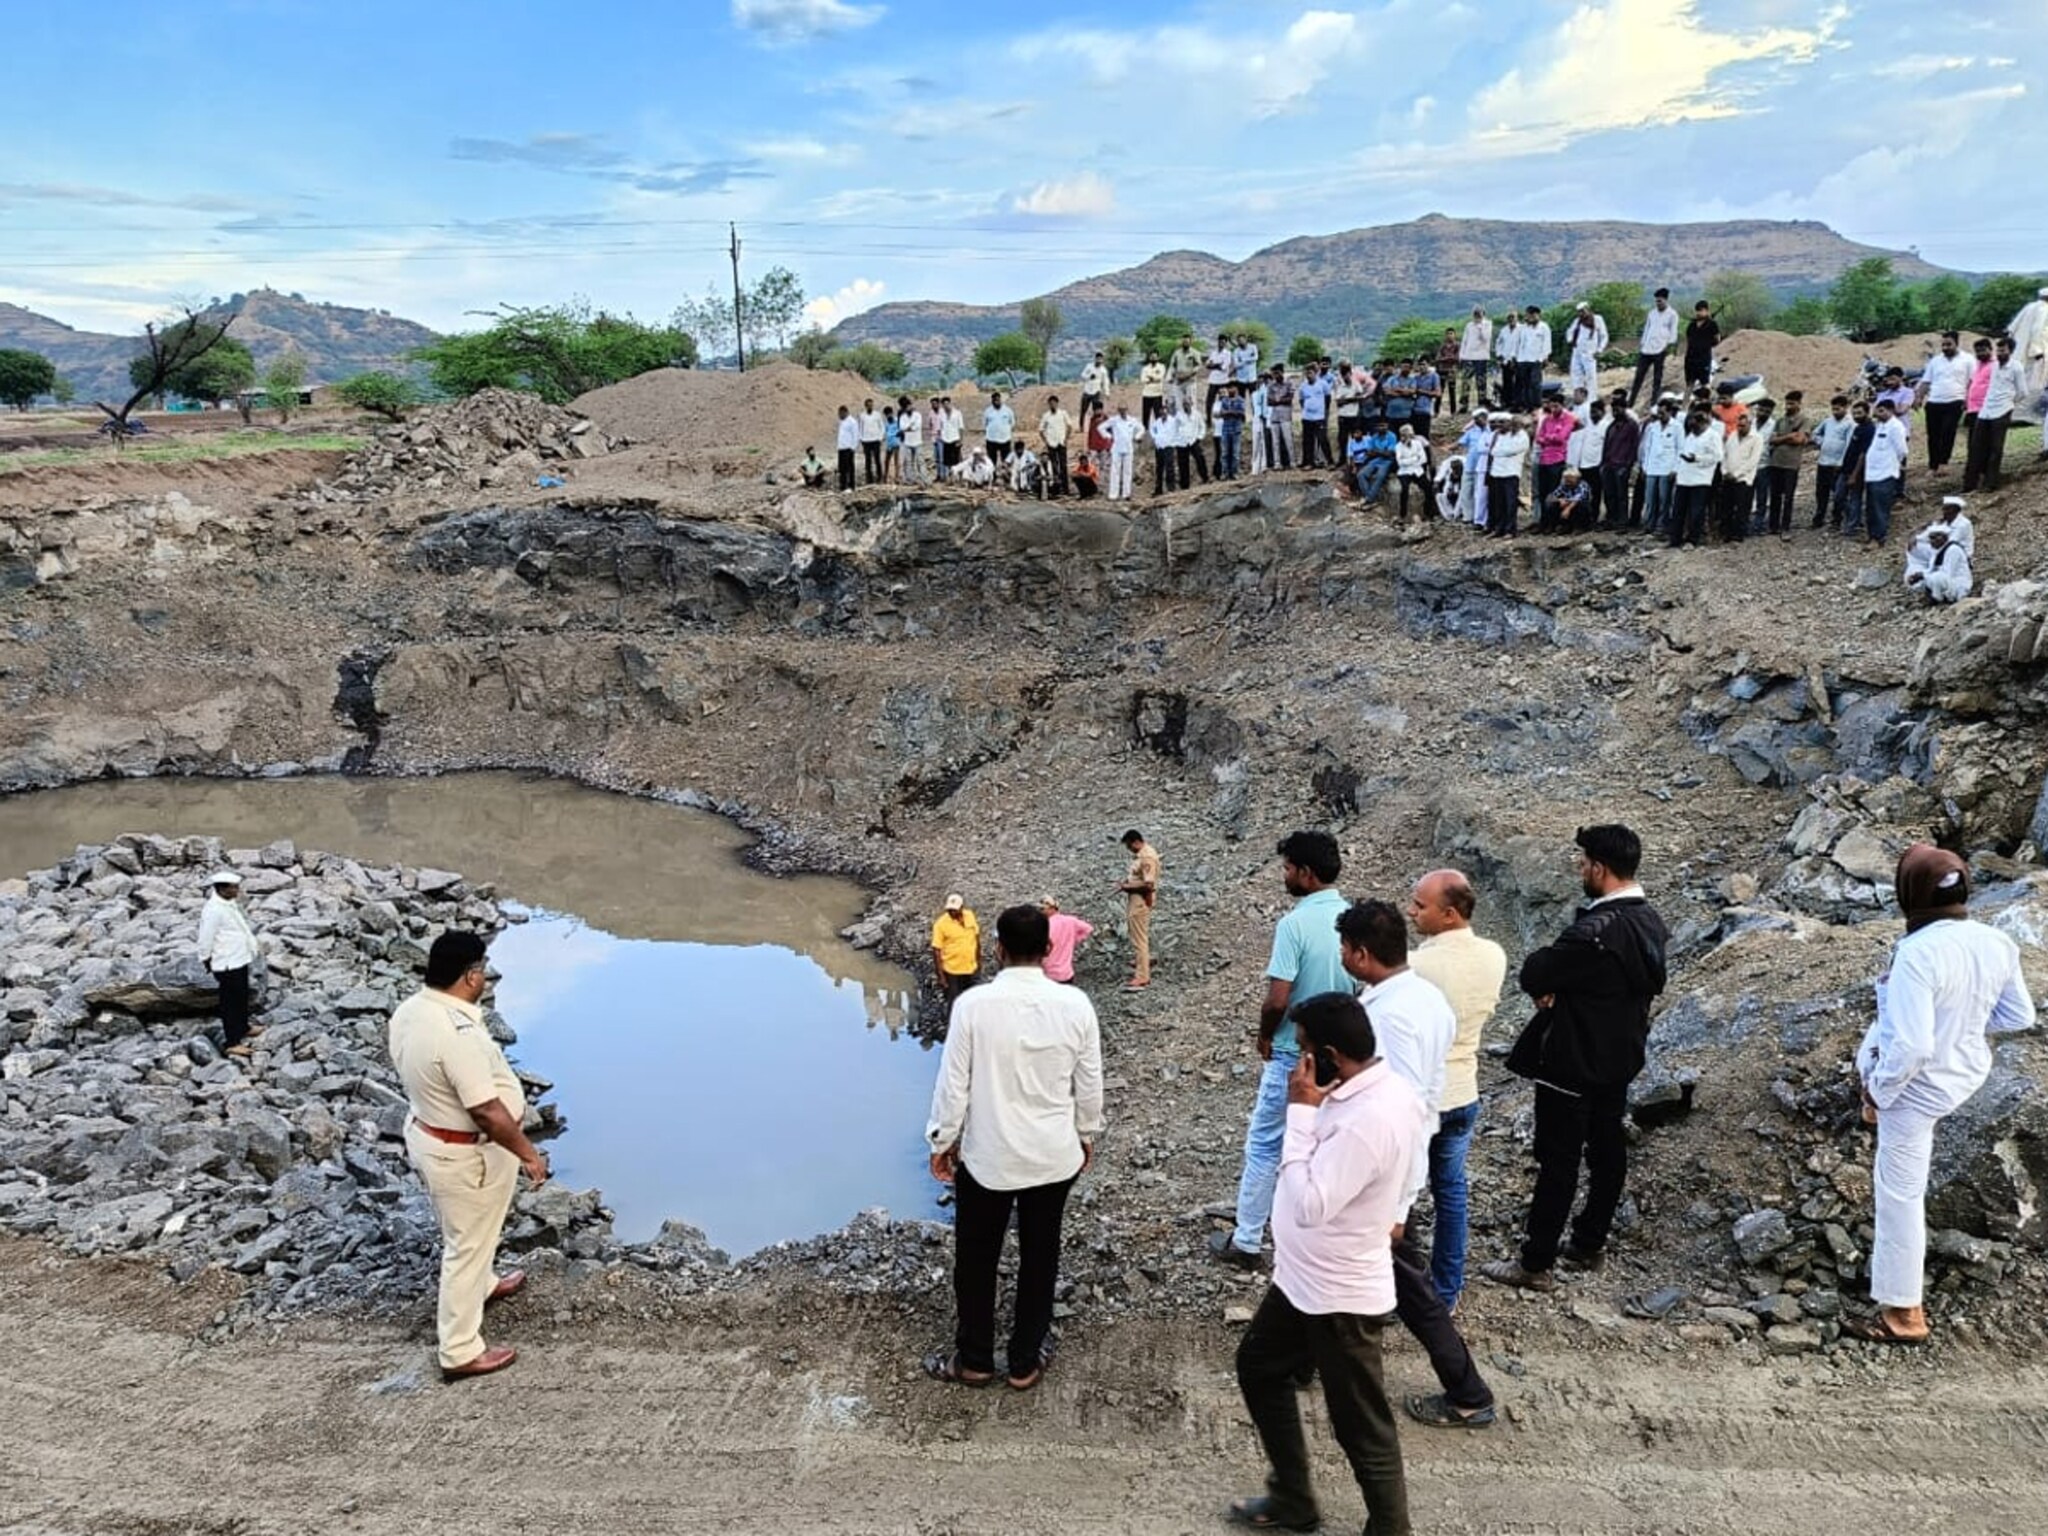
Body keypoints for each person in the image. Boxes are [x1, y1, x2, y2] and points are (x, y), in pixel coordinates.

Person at [1227, 992, 1430, 1536]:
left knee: (1362, 1426)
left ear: (1332, 1056)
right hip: (1303, 1282)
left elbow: (1312, 1204)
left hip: (1339, 1295)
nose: (1299, 1064)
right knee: (1259, 1367)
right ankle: (1293, 1500)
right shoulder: (1376, 1093)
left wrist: (1299, 1114)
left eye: (1305, 1050)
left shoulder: (1367, 1119)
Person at [1848, 846, 2034, 1345]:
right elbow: (2019, 1016)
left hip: (1918, 1089)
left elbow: (1912, 1047)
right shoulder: (1996, 940)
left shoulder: (1916, 952)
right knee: (1877, 1039)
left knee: (1900, 1195)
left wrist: (1879, 1094)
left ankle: (1904, 1314)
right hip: (1965, 1072)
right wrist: (1963, 1026)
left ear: (1910, 893)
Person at [925, 904, 1104, 1387]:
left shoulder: (972, 1006)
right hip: (1053, 1155)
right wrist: (1086, 1133)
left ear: (998, 949)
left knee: (976, 1258)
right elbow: (1089, 1085)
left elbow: (953, 1084)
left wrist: (943, 1139)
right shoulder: (1076, 1006)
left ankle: (975, 1359)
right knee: (1040, 1255)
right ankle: (1025, 1361)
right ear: (1047, 949)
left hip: (989, 1157)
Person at [1333, 900, 1497, 1429]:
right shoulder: (1426, 999)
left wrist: (1397, 1203)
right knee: (1383, 1278)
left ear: (1361, 954)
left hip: (1381, 1178)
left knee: (1407, 1287)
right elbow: (1429, 1095)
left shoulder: (1390, 1018)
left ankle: (1469, 1393)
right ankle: (1305, 1358)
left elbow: (1401, 1113)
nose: (1342, 957)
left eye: (1344, 949)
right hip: (1392, 1171)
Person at [1484, 826, 1667, 1292]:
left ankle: (1536, 1262)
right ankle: (1589, 1241)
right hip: (1620, 1057)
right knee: (1607, 1149)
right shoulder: (1649, 921)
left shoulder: (1596, 930)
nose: (1580, 870)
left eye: (1584, 863)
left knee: (1558, 1159)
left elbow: (1536, 971)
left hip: (1572, 1059)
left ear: (1600, 869)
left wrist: (1553, 989)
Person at [388, 931, 549, 1381]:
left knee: (470, 1229)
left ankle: (485, 1283)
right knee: (466, 1245)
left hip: (431, 1134)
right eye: (482, 970)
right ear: (471, 976)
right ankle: (459, 1350)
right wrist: (527, 1153)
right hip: (466, 1153)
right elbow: (486, 1111)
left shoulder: (412, 1011)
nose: (486, 977)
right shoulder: (455, 1034)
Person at [1213, 831, 1349, 1270]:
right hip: (1341, 1056)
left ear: (1306, 873)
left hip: (1294, 1051)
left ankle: (1248, 1240)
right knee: (1325, 1147)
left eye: (1288, 868)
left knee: (1266, 1144)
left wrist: (1265, 1034)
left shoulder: (1293, 925)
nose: (1284, 875)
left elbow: (1278, 998)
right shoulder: (1350, 918)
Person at [1406, 871, 1507, 1311]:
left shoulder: (1418, 966)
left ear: (1448, 914)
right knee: (1451, 1193)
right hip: (1464, 1089)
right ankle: (1447, 1291)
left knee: (1400, 1197)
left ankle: (1403, 1290)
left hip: (1422, 1096)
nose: (1411, 911)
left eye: (1420, 905)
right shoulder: (1494, 955)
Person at [196, 869, 262, 1057]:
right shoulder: (213, 910)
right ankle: (232, 1041)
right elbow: (206, 937)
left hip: (238, 957)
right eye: (233, 888)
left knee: (241, 995)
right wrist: (205, 958)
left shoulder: (228, 904)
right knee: (230, 1002)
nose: (237, 891)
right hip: (226, 962)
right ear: (221, 889)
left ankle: (243, 1027)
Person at [1962, 335, 2026, 493]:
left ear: (2010, 351)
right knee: (1976, 447)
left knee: (1995, 448)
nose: (1999, 353)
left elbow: (2022, 392)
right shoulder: (1994, 366)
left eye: (2003, 350)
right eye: (1998, 350)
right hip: (1986, 410)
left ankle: (1991, 483)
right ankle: (1969, 484)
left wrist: (2009, 402)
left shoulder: (2016, 367)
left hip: (2003, 410)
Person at [1916, 332, 1973, 473]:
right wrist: (1919, 397)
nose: (1945, 347)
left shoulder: (1968, 359)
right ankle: (1933, 465)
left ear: (1957, 344)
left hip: (1955, 400)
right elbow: (1926, 381)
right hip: (1934, 401)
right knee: (1933, 435)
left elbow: (1972, 382)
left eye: (1949, 344)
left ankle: (1943, 462)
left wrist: (1968, 399)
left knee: (1948, 432)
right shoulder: (1935, 361)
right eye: (1943, 345)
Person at [1857, 398, 1908, 545]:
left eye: (1881, 411)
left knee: (1880, 507)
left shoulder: (1896, 427)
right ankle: (1871, 535)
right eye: (1877, 410)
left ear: (1891, 411)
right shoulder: (1879, 425)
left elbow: (1902, 450)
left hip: (1885, 472)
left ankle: (1879, 537)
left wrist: (1896, 463)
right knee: (1871, 506)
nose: (1878, 414)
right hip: (1872, 473)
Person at [1669, 407, 1723, 548]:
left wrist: (1697, 458)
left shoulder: (1713, 436)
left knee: (1696, 511)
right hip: (1684, 477)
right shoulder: (1690, 436)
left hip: (1701, 478)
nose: (1694, 430)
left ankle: (1692, 540)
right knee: (1678, 510)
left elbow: (1717, 457)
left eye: (1696, 427)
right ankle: (1675, 539)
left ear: (1703, 423)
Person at [1117, 828, 1160, 989]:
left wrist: (1127, 887)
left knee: (1139, 938)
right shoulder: (1143, 854)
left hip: (1140, 901)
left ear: (1136, 842)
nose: (1129, 849)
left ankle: (1142, 975)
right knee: (1140, 934)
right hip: (1138, 899)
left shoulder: (1147, 857)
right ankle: (1143, 961)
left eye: (1129, 846)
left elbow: (1148, 884)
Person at [1764, 390, 1809, 538]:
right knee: (1775, 496)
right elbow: (1772, 440)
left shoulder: (1804, 420)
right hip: (1776, 462)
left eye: (1792, 403)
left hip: (1791, 464)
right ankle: (1773, 526)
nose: (1788, 406)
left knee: (1788, 498)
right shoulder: (1780, 420)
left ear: (1799, 404)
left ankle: (1785, 528)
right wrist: (1789, 436)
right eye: (1787, 403)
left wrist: (1782, 438)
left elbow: (1799, 440)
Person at [1717, 409, 1763, 543]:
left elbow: (1753, 461)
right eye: (1739, 425)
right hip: (1728, 477)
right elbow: (1725, 455)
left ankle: (1738, 534)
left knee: (1742, 508)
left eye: (1743, 425)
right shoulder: (1732, 435)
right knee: (1727, 507)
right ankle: (1726, 533)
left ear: (1749, 424)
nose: (1740, 428)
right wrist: (1725, 471)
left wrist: (1737, 474)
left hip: (1744, 478)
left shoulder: (1756, 438)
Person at [1811, 393, 1854, 530]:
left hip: (1837, 464)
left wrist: (1842, 462)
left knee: (1838, 494)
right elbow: (1815, 433)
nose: (1835, 412)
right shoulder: (1828, 421)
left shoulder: (1850, 424)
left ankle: (1837, 519)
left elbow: (1848, 445)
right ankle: (1819, 517)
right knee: (1821, 492)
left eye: (1838, 409)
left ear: (1845, 408)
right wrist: (1822, 442)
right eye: (1833, 409)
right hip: (1823, 461)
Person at [1637, 398, 1679, 535]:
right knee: (1649, 498)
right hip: (1651, 467)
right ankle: (1648, 524)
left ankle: (1661, 525)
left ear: (1670, 412)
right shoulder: (1652, 427)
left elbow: (1680, 449)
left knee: (1664, 499)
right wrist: (1644, 466)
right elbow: (1647, 447)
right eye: (1659, 413)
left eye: (1663, 413)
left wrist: (1675, 469)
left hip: (1667, 468)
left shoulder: (1677, 427)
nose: (1660, 416)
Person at [1630, 289, 1679, 406]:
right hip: (1646, 349)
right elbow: (1647, 329)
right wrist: (1642, 343)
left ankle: (1653, 403)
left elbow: (1673, 332)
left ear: (1665, 300)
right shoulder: (1652, 313)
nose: (1658, 303)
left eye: (1660, 301)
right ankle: (1631, 401)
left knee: (1657, 378)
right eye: (1656, 301)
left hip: (1660, 349)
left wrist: (1668, 346)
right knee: (1638, 376)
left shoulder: (1672, 314)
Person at [931, 894, 982, 1008]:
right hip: (952, 971)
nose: (952, 912)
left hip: (971, 968)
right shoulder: (940, 924)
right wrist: (941, 976)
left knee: (972, 1001)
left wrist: (979, 960)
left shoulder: (970, 916)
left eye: (955, 910)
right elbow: (936, 950)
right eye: (949, 910)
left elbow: (976, 937)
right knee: (954, 1003)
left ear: (961, 907)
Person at [1834, 399, 1875, 535]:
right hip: (1846, 468)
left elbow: (1863, 454)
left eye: (1859, 413)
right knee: (1839, 497)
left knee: (1855, 498)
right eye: (1854, 413)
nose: (1856, 416)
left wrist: (1854, 474)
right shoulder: (1858, 428)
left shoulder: (1869, 430)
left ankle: (1852, 527)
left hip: (1857, 471)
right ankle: (1854, 520)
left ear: (1867, 413)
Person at [1599, 397, 1640, 528]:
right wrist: (1603, 464)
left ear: (1624, 409)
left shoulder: (1632, 425)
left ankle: (1622, 521)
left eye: (1617, 409)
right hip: (1609, 464)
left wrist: (1628, 465)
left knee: (1621, 495)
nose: (1615, 412)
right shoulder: (1611, 426)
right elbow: (1606, 445)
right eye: (1613, 410)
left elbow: (1634, 446)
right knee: (1609, 494)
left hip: (1622, 465)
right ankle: (1611, 518)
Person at [1904, 526, 1973, 603]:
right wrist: (1918, 576)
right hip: (1945, 582)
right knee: (1921, 581)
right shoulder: (1937, 552)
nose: (1931, 541)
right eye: (1930, 538)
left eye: (1933, 538)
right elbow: (1931, 570)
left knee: (1937, 577)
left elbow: (1947, 574)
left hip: (1957, 585)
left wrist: (1924, 576)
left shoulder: (1953, 550)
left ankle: (1938, 598)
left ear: (1943, 537)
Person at [1486, 415, 1529, 537]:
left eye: (1502, 422)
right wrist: (1499, 452)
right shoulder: (1498, 435)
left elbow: (1512, 450)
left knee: (1510, 503)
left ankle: (1510, 530)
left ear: (1510, 423)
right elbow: (1492, 451)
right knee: (1498, 503)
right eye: (1498, 422)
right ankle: (1499, 528)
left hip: (1511, 473)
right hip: (1497, 472)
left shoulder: (1521, 435)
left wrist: (1499, 452)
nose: (1499, 425)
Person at [1038, 897, 1095, 985]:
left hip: (1049, 974)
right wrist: (1075, 939)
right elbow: (1088, 929)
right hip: (1066, 974)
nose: (1041, 912)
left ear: (1052, 908)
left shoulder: (1045, 926)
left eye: (1043, 909)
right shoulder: (1070, 921)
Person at [2012, 285, 2048, 415]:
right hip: (2036, 352)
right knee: (2034, 381)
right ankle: (2022, 413)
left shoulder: (2029, 307)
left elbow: (2012, 328)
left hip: (2019, 350)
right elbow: (2037, 330)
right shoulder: (2044, 309)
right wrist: (2036, 350)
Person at [1533, 398, 1574, 511]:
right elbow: (1538, 438)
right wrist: (1552, 437)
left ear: (1562, 405)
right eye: (1552, 406)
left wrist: (1547, 437)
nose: (1553, 409)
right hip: (1543, 459)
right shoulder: (1547, 419)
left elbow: (1561, 438)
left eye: (1556, 406)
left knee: (1555, 492)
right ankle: (1544, 518)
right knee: (1542, 491)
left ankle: (1554, 518)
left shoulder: (1568, 419)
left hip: (1557, 459)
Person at [1566, 303, 1608, 397]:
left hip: (1590, 352)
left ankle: (1592, 397)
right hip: (1577, 351)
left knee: (1590, 376)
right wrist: (1570, 340)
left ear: (1588, 309)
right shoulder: (1577, 321)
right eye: (1579, 312)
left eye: (1583, 311)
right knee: (1576, 375)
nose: (1581, 314)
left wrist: (1599, 349)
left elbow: (1604, 336)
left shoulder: (1597, 319)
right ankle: (1579, 397)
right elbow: (1570, 331)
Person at [1298, 362, 1333, 469]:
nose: (1308, 375)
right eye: (1307, 373)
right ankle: (1309, 462)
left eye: (1310, 373)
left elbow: (1328, 398)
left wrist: (1323, 411)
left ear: (1316, 373)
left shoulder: (1323, 384)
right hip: (1307, 417)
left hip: (1319, 417)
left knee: (1323, 439)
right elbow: (1301, 400)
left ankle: (1330, 461)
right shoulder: (1303, 386)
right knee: (1308, 441)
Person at [1393, 424, 1430, 522]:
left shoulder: (1417, 444)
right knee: (1404, 489)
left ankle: (1428, 512)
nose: (1405, 437)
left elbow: (1424, 459)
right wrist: (1414, 459)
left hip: (1417, 470)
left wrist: (1410, 460)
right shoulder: (1398, 446)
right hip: (1405, 472)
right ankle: (1403, 514)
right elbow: (1400, 462)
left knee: (1428, 487)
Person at [1459, 307, 1493, 410]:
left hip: (1481, 357)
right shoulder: (1469, 325)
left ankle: (1481, 403)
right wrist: (1462, 355)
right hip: (1468, 356)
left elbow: (1486, 338)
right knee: (1466, 381)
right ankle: (1464, 405)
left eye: (1479, 314)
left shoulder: (1487, 324)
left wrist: (1480, 325)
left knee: (1481, 381)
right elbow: (1464, 340)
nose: (1477, 316)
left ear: (1483, 314)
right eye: (1475, 314)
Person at [1541, 466, 1591, 535]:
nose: (1568, 481)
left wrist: (1568, 508)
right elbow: (1551, 496)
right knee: (1551, 504)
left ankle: (1579, 527)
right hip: (1567, 505)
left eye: (1570, 478)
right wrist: (1559, 500)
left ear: (1577, 478)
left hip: (1578, 506)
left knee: (1581, 505)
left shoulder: (1583, 485)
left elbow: (1579, 498)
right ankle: (1553, 526)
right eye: (1566, 478)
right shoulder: (1564, 485)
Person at [1105, 405, 1141, 501]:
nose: (1122, 412)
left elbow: (1141, 429)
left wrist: (1137, 436)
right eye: (1121, 410)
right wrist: (1109, 436)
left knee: (1127, 471)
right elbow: (1101, 428)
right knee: (1115, 471)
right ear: (1118, 411)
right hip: (1117, 448)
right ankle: (1113, 494)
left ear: (1127, 410)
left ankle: (1126, 493)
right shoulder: (1114, 420)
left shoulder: (1132, 420)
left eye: (1124, 410)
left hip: (1128, 448)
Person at [1683, 300, 1719, 392]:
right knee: (1689, 383)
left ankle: (1706, 400)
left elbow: (1717, 339)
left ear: (1707, 311)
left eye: (1702, 310)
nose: (1699, 313)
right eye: (1698, 310)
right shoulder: (1692, 325)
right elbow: (1687, 340)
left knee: (1705, 383)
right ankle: (1686, 401)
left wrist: (1706, 344)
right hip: (1691, 359)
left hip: (1704, 358)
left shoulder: (1712, 324)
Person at [1039, 394, 1071, 496]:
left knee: (1063, 466)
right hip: (1051, 444)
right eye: (1050, 403)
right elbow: (1040, 430)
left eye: (1054, 403)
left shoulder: (1063, 413)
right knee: (1053, 466)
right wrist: (1046, 441)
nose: (1052, 405)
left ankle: (1065, 489)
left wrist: (1066, 439)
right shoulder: (1046, 416)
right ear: (1049, 404)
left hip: (1061, 443)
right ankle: (1056, 488)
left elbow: (1069, 426)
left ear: (1057, 403)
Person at [1264, 367, 1295, 470]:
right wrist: (1281, 400)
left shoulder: (1289, 383)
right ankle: (1277, 463)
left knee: (1288, 440)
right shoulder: (1271, 386)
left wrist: (1278, 400)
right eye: (1274, 374)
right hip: (1274, 417)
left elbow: (1290, 399)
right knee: (1275, 441)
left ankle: (1292, 461)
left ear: (1282, 372)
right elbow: (1269, 401)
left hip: (1286, 416)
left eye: (1277, 373)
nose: (1276, 376)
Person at [1216, 384, 1247, 478]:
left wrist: (1229, 412)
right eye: (1228, 388)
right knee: (1224, 453)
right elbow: (1222, 413)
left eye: (1232, 388)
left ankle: (1235, 472)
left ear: (1236, 389)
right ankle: (1225, 472)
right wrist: (1233, 412)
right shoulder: (1224, 400)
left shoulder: (1241, 400)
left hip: (1236, 429)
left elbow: (1241, 413)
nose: (1230, 390)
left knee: (1235, 453)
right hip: (1225, 429)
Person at [982, 391, 1015, 465]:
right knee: (991, 461)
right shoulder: (987, 411)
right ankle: (993, 472)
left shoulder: (1008, 410)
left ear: (1000, 399)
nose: (996, 402)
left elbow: (1012, 423)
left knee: (1006, 460)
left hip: (1005, 439)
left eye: (998, 400)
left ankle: (1005, 472)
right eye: (994, 400)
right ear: (992, 401)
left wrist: (1006, 430)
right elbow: (985, 424)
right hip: (991, 440)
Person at [1435, 328, 1462, 416]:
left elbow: (1457, 358)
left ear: (1454, 335)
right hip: (1441, 370)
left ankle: (1453, 412)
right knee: (1440, 390)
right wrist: (1449, 358)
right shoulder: (1442, 346)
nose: (1449, 335)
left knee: (1452, 392)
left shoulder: (1458, 345)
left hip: (1452, 371)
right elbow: (1437, 358)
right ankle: (1436, 411)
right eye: (1448, 334)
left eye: (1451, 333)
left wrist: (1445, 358)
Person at [899, 401, 926, 485]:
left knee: (920, 461)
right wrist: (910, 426)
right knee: (909, 462)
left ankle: (924, 479)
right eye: (906, 407)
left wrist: (908, 428)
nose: (908, 408)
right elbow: (902, 428)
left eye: (909, 406)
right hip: (907, 442)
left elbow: (916, 427)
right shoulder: (903, 417)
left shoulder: (917, 415)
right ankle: (910, 479)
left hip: (917, 442)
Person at [834, 405, 860, 492]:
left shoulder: (852, 422)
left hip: (848, 448)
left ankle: (851, 485)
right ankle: (843, 486)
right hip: (841, 448)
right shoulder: (841, 422)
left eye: (840, 414)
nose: (839, 415)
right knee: (842, 468)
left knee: (849, 468)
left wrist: (853, 447)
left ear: (845, 412)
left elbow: (856, 435)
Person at [1080, 351, 1110, 425]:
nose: (1099, 361)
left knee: (1096, 410)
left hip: (1096, 391)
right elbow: (1082, 375)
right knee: (1083, 410)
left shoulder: (1103, 370)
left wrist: (1107, 392)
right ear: (1095, 359)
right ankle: (1081, 426)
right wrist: (1089, 377)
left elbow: (1105, 382)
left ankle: (1095, 425)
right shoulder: (1089, 366)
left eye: (1100, 359)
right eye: (1098, 359)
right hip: (1087, 391)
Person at [859, 397, 885, 484]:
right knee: (868, 460)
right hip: (866, 441)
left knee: (877, 459)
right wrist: (861, 438)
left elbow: (882, 427)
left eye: (871, 405)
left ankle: (879, 477)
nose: (870, 407)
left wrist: (880, 438)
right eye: (868, 405)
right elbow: (860, 428)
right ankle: (869, 479)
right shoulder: (862, 416)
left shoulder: (877, 415)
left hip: (875, 440)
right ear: (865, 406)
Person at [1137, 350, 1166, 428]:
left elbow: (1160, 378)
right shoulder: (1145, 368)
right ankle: (1145, 430)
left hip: (1157, 394)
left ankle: (1159, 430)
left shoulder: (1161, 367)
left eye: (1155, 357)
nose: (1153, 358)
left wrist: (1150, 377)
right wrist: (1154, 379)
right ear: (1149, 358)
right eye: (1152, 357)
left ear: (1158, 357)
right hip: (1146, 394)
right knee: (1146, 415)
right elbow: (1143, 379)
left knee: (1158, 415)